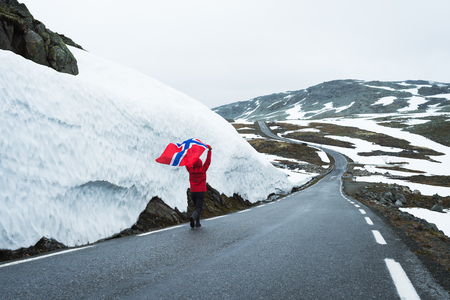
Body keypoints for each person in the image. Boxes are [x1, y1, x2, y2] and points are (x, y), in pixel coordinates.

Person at [186, 145, 212, 228]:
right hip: (200, 191)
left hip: (193, 191)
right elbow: (208, 162)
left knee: (196, 207)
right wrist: (209, 151)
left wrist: (186, 155)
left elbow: (187, 163)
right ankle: (193, 218)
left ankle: (197, 223)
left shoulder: (190, 170)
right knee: (198, 208)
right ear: (200, 163)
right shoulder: (203, 169)